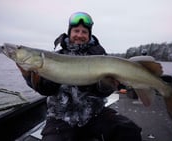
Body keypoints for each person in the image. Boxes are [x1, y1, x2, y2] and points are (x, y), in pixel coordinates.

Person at [17, 12, 142, 141]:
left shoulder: (101, 57)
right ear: (69, 33)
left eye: (84, 32)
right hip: (60, 117)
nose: (79, 35)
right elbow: (46, 90)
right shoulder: (54, 57)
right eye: (76, 31)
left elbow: (104, 92)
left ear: (89, 35)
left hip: (94, 113)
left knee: (128, 132)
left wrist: (107, 84)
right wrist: (27, 76)